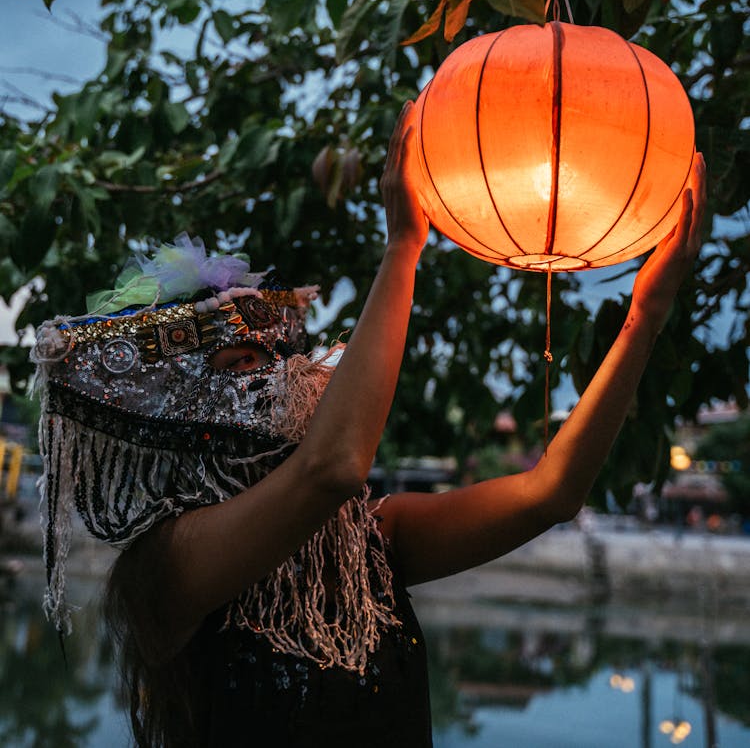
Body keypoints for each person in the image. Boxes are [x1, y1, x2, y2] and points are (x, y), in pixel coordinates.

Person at [31, 104, 706, 748]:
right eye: (243, 360)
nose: (280, 369)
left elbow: (551, 491)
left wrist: (647, 313)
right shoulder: (169, 563)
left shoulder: (374, 539)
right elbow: (331, 468)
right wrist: (403, 250)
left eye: (278, 351)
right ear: (178, 404)